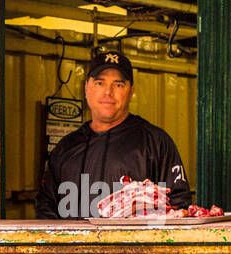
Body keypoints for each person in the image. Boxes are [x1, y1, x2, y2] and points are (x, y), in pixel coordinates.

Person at [35, 50, 192, 219]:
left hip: (136, 246)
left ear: (131, 92)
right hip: (75, 245)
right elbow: (45, 210)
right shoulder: (66, 147)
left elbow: (178, 207)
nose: (108, 92)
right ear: (86, 87)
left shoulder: (156, 142)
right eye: (100, 83)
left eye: (118, 84)